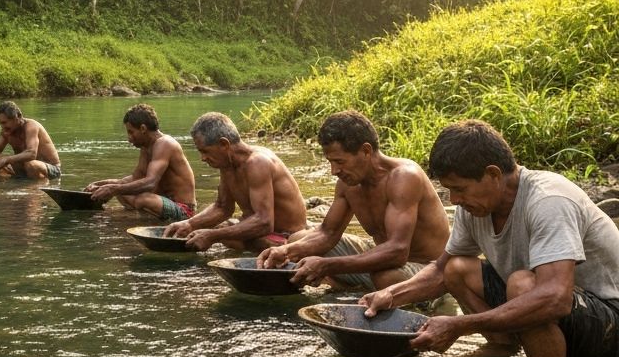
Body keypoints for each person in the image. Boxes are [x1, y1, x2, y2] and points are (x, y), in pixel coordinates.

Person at [361, 119, 619, 357]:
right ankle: (502, 345)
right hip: (566, 312)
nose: (454, 200)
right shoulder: (476, 209)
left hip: (610, 322)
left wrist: (460, 325)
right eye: (449, 191)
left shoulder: (549, 200)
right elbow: (440, 271)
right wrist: (391, 296)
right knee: (457, 268)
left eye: (460, 189)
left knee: (522, 283)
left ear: (493, 174)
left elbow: (556, 298)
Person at [256, 110, 449, 292]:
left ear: (366, 151)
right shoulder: (348, 184)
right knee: (298, 239)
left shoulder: (404, 178)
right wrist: (286, 250)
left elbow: (398, 252)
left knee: (386, 277)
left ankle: (356, 286)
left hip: (426, 268)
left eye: (339, 162)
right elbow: (327, 233)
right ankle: (353, 287)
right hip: (384, 257)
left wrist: (327, 266)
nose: (334, 171)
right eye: (330, 162)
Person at [162, 112, 306, 252]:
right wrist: (189, 224)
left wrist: (212, 236)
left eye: (205, 151)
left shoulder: (257, 163)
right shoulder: (227, 165)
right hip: (262, 232)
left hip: (286, 236)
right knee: (213, 231)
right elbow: (222, 208)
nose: (203, 158)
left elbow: (264, 222)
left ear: (224, 144)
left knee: (218, 233)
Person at [84, 103, 197, 222]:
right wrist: (102, 185)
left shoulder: (165, 144)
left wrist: (113, 189)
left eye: (131, 132)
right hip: (160, 202)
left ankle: (138, 214)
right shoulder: (146, 146)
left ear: (143, 128)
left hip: (183, 210)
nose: (129, 138)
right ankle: (140, 215)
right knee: (121, 190)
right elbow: (136, 178)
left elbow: (150, 183)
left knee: (143, 199)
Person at [0, 101, 61, 180]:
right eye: (0, 123)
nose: (2, 126)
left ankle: (38, 190)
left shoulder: (31, 126)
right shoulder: (6, 131)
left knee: (30, 164)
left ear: (18, 117)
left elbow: (32, 154)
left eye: (5, 123)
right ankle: (18, 186)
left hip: (50, 169)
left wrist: (6, 159)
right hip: (24, 169)